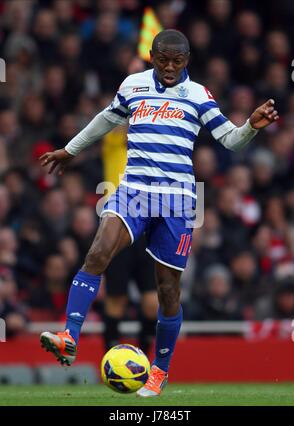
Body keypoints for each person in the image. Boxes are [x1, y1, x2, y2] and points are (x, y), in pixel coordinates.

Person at [39, 29, 279, 397]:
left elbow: (230, 140)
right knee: (98, 252)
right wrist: (69, 150)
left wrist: (250, 127)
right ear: (151, 55)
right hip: (133, 191)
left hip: (177, 201)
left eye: (177, 61)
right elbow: (105, 119)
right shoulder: (133, 85)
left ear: (187, 61)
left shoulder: (198, 95)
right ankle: (68, 335)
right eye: (163, 60)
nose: (169, 67)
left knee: (167, 290)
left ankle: (160, 370)